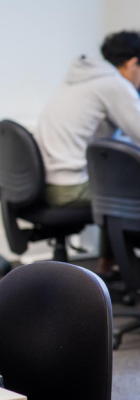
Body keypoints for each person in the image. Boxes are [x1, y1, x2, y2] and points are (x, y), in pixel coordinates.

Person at [36, 31, 140, 275]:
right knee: (122, 189)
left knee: (113, 180)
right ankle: (127, 270)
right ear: (132, 63)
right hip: (69, 188)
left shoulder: (81, 79)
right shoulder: (114, 84)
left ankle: (108, 264)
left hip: (47, 182)